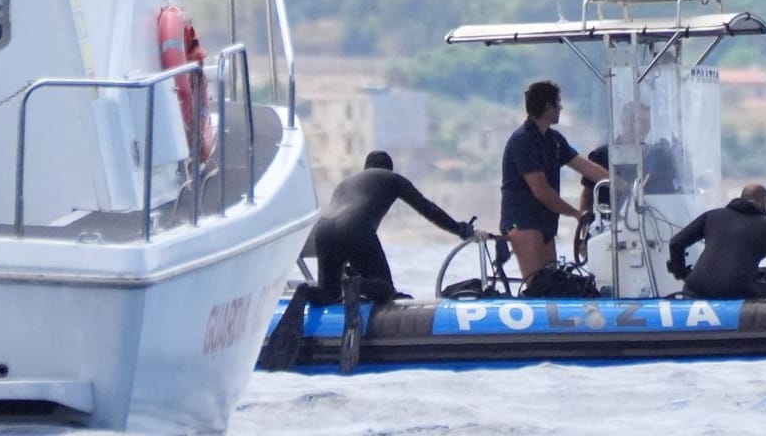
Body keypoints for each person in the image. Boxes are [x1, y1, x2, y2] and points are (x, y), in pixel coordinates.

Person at [260, 151, 472, 372]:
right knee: (385, 288)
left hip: (323, 230)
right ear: (387, 168)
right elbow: (428, 209)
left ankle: (306, 291)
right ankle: (354, 284)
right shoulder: (392, 179)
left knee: (328, 293)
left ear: (365, 168)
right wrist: (460, 229)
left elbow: (344, 230)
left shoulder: (344, 184)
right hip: (355, 227)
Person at [500, 80, 608, 281]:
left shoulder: (554, 139)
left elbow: (586, 167)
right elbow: (541, 191)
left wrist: (622, 184)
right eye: (558, 103)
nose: (561, 107)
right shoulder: (523, 140)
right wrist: (575, 213)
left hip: (545, 221)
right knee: (536, 283)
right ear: (548, 106)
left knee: (551, 280)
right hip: (523, 221)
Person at [664, 182, 766, 300]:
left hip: (694, 288)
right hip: (734, 290)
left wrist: (682, 274)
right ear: (765, 203)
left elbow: (676, 244)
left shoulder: (712, 216)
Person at [579, 100, 681, 214]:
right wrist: (584, 223)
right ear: (624, 121)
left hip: (650, 224)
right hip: (610, 225)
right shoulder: (602, 155)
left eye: (647, 123)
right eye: (638, 121)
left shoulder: (658, 157)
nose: (643, 127)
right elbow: (587, 196)